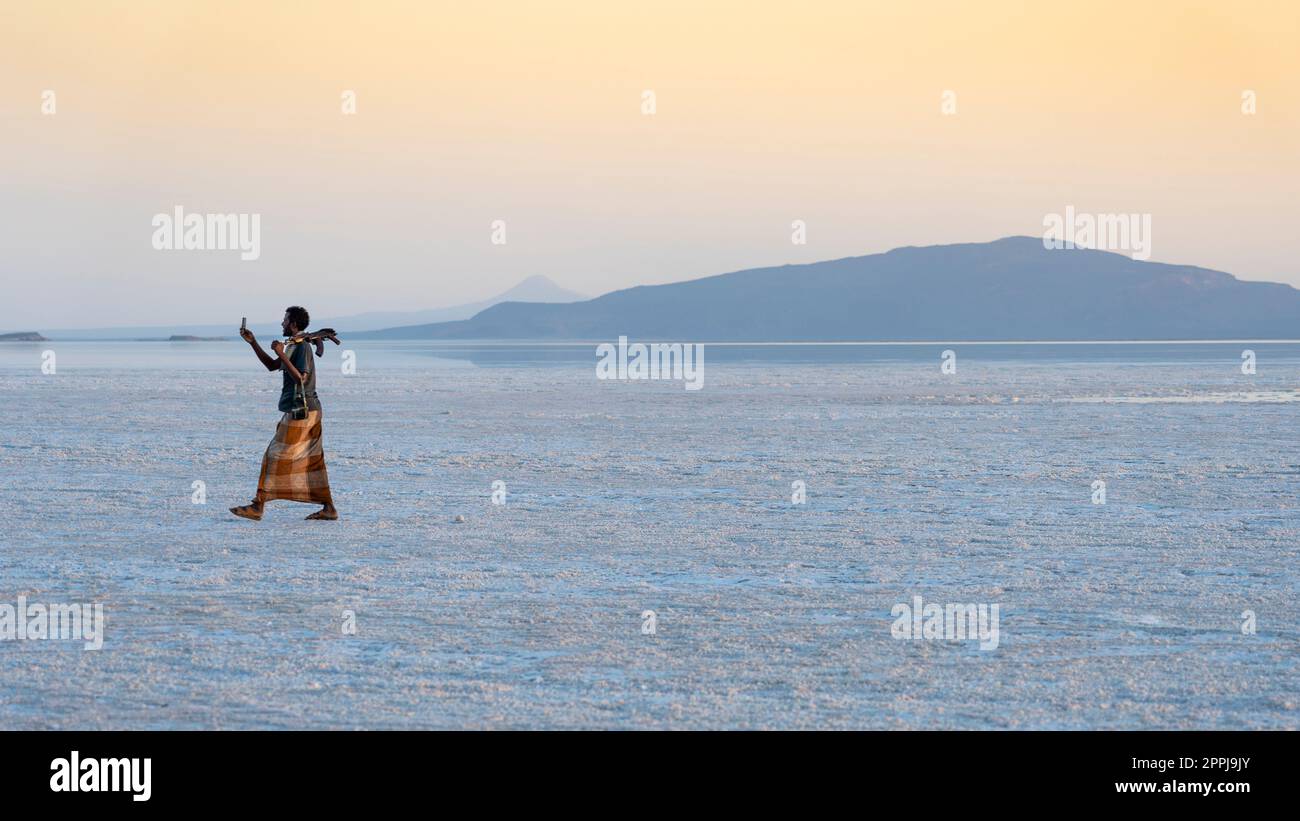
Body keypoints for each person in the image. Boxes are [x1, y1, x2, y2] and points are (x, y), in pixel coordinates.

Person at [230, 306, 338, 521]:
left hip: (304, 411)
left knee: (274, 455)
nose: (282, 323)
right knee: (312, 459)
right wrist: (253, 342)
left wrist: (280, 352)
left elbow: (301, 378)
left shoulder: (302, 348)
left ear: (294, 324)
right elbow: (272, 366)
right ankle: (329, 508)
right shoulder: (294, 345)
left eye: (285, 320)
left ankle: (258, 506)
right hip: (303, 410)